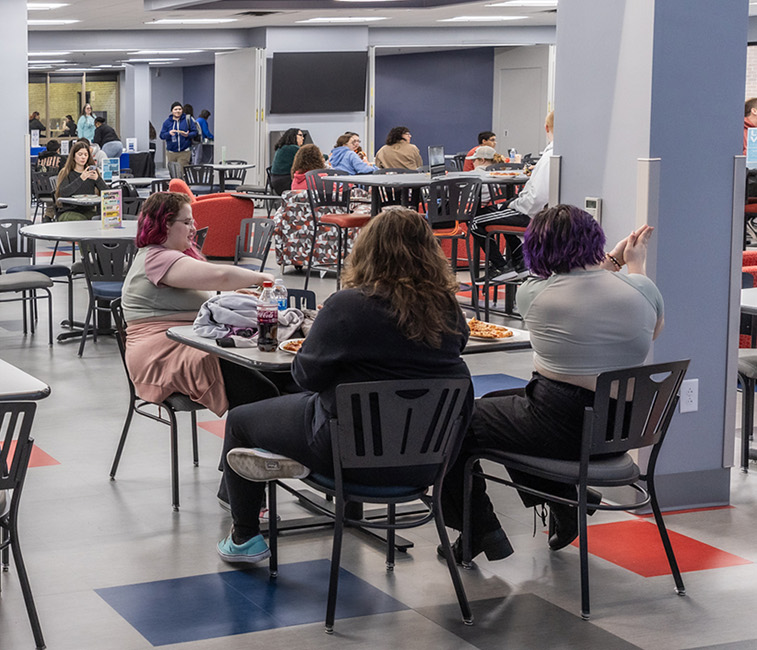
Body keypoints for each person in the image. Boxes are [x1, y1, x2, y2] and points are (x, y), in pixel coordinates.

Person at [216, 207, 472, 564]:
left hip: (342, 455)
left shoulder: (347, 306)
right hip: (427, 461)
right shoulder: (447, 308)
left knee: (242, 419)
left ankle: (245, 536)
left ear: (367, 250)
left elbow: (305, 377)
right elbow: (455, 347)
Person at [438, 207, 660, 563]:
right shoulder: (644, 291)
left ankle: (481, 528)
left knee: (455, 422)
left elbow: (578, 285)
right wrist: (631, 262)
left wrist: (613, 261)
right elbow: (646, 322)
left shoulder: (534, 295)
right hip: (624, 428)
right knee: (499, 404)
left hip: (564, 426)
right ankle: (566, 503)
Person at [120, 192, 279, 420]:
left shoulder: (162, 256)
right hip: (159, 353)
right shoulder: (157, 258)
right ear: (165, 224)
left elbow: (205, 290)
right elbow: (220, 276)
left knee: (272, 381)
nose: (193, 228)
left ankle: (252, 445)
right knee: (261, 392)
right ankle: (245, 448)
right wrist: (262, 278)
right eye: (186, 222)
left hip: (177, 341)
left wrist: (235, 296)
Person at [472, 111, 556, 278]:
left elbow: (536, 198)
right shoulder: (556, 154)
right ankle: (519, 261)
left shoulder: (548, 158)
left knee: (474, 221)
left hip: (531, 215)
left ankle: (501, 267)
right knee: (497, 210)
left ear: (546, 127)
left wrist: (515, 204)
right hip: (543, 214)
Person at [53, 141, 107, 221]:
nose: (83, 157)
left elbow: (108, 193)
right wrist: (81, 178)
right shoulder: (66, 172)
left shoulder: (92, 173)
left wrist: (98, 180)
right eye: (80, 154)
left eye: (86, 155)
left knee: (100, 218)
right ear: (73, 156)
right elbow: (63, 193)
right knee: (82, 219)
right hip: (69, 211)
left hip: (88, 209)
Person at [267, 129, 306, 194]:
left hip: (276, 182)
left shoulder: (282, 147)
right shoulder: (292, 148)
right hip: (284, 182)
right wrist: (327, 156)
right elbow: (312, 156)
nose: (303, 138)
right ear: (293, 136)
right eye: (300, 135)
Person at [160, 103, 197, 169]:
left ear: (182, 110)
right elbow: (162, 135)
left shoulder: (187, 120)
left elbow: (194, 132)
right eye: (175, 109)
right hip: (171, 152)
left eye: (180, 109)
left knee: (181, 172)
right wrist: (169, 133)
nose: (178, 111)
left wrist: (187, 135)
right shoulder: (167, 122)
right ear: (172, 111)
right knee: (173, 172)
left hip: (184, 151)